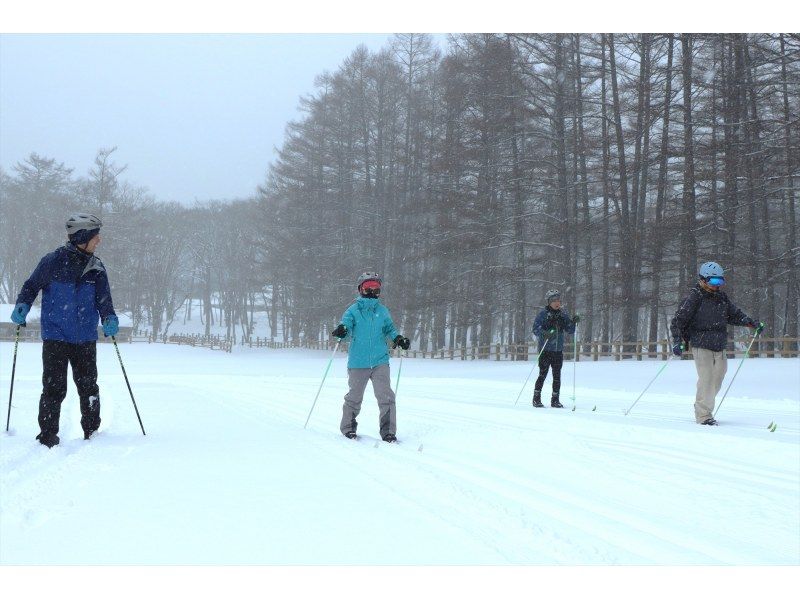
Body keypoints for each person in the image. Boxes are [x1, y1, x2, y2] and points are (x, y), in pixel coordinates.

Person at [10, 213, 118, 448]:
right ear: (83, 237)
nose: (99, 240)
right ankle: (48, 436)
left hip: (85, 338)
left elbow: (104, 300)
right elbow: (31, 286)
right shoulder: (52, 261)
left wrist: (109, 316)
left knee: (88, 387)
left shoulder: (96, 267)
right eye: (95, 236)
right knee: (53, 388)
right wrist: (22, 305)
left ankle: (92, 432)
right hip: (56, 336)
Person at [670, 261, 763, 426]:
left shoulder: (721, 297)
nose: (717, 285)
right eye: (714, 281)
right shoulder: (694, 297)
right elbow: (678, 321)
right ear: (703, 280)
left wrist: (750, 323)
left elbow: (734, 314)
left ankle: (704, 404)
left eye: (720, 281)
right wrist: (678, 341)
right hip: (701, 343)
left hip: (719, 344)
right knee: (706, 378)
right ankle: (703, 415)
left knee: (718, 378)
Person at [330, 272, 410, 442]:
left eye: (376, 289)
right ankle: (348, 429)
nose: (372, 292)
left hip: (380, 360)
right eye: (368, 288)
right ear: (360, 289)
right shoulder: (353, 311)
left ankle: (388, 432)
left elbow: (390, 329)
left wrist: (398, 338)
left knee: (386, 397)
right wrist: (342, 330)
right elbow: (346, 327)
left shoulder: (382, 311)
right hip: (358, 362)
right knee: (354, 397)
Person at [531, 289, 579, 408]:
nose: (557, 302)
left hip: (558, 351)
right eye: (554, 300)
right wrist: (545, 333)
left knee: (557, 376)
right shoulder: (543, 314)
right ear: (549, 302)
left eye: (558, 300)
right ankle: (536, 399)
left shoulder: (563, 315)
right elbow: (535, 329)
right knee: (542, 374)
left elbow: (570, 330)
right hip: (545, 350)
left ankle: (555, 400)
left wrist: (574, 322)